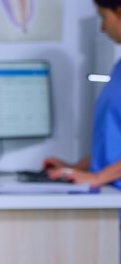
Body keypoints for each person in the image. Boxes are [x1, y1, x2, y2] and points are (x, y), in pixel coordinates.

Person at [44, 0, 121, 188]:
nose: (102, 28)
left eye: (103, 16)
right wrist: (74, 168)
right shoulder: (118, 68)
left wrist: (97, 178)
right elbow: (111, 142)